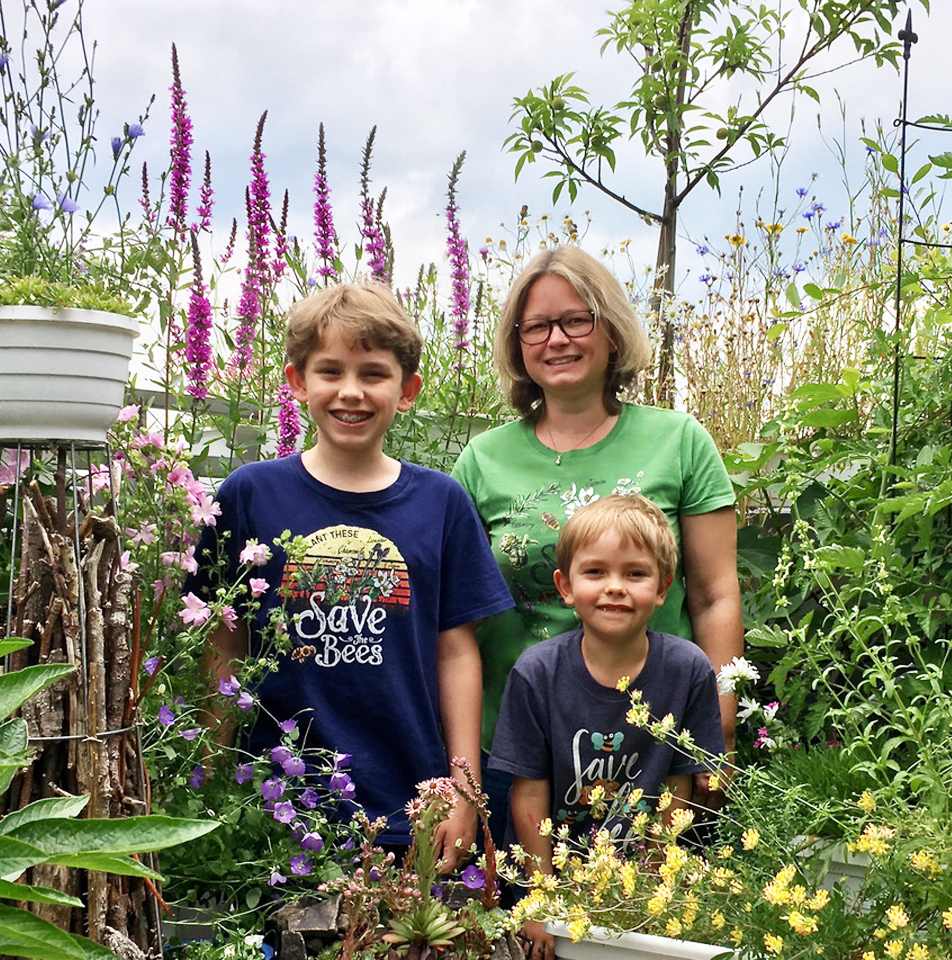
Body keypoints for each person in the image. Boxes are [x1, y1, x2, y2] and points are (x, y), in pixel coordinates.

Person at [199, 283, 513, 867]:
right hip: (274, 805)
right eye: (330, 371)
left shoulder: (441, 504)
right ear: (297, 383)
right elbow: (224, 639)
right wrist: (216, 772)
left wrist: (465, 788)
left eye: (373, 373)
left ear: (408, 390)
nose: (351, 392)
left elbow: (457, 652)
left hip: (412, 806)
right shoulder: (249, 494)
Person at [450, 245, 741, 825]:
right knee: (524, 909)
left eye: (576, 319)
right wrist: (460, 774)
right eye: (535, 326)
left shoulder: (679, 441)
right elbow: (456, 621)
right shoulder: (483, 460)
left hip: (657, 746)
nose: (557, 339)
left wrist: (718, 731)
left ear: (610, 331)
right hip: (519, 745)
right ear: (518, 345)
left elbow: (715, 595)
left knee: (653, 903)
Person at [488, 494, 725, 958]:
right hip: (553, 876)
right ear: (565, 586)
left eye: (635, 574)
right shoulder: (536, 673)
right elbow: (529, 792)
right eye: (595, 572)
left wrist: (655, 886)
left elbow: (677, 785)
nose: (614, 587)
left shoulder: (687, 670)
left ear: (662, 588)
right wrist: (543, 901)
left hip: (642, 882)